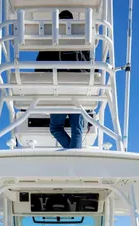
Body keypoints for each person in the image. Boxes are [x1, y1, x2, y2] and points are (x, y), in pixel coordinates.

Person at [36, 10, 89, 149]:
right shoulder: (82, 40)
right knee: (77, 127)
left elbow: (38, 68)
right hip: (79, 88)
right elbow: (91, 66)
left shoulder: (49, 42)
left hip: (57, 90)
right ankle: (74, 157)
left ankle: (73, 155)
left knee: (55, 128)